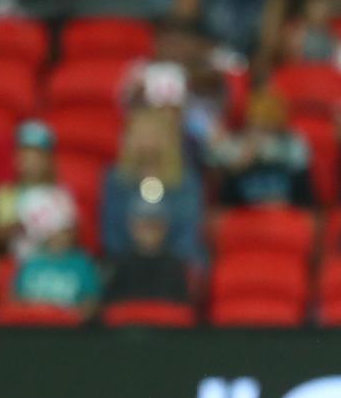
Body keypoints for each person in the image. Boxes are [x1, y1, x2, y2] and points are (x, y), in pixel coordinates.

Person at [101, 108, 205, 264]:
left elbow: (187, 237)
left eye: (153, 135)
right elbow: (112, 236)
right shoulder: (116, 180)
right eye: (141, 135)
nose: (147, 142)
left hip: (174, 266)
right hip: (126, 265)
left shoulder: (186, 182)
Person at [207, 91, 312, 207]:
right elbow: (224, 193)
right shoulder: (238, 147)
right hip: (244, 212)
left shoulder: (292, 145)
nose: (262, 137)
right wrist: (239, 164)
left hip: (283, 212)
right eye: (256, 127)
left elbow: (303, 192)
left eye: (267, 129)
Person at [0, 120, 76, 259]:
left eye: (37, 154)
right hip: (16, 266)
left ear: (48, 160)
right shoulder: (7, 194)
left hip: (49, 267)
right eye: (24, 153)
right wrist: (13, 229)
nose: (29, 160)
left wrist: (53, 237)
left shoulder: (61, 195)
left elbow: (69, 238)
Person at [12, 200, 100, 315]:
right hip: (32, 326)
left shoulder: (83, 263)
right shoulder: (31, 261)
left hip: (69, 329)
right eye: (58, 231)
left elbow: (91, 302)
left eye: (66, 232)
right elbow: (16, 299)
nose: (62, 237)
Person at [103, 196, 191, 304]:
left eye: (154, 225)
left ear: (165, 227)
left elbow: (182, 307)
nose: (149, 230)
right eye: (143, 224)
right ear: (131, 225)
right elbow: (110, 307)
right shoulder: (120, 265)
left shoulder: (174, 266)